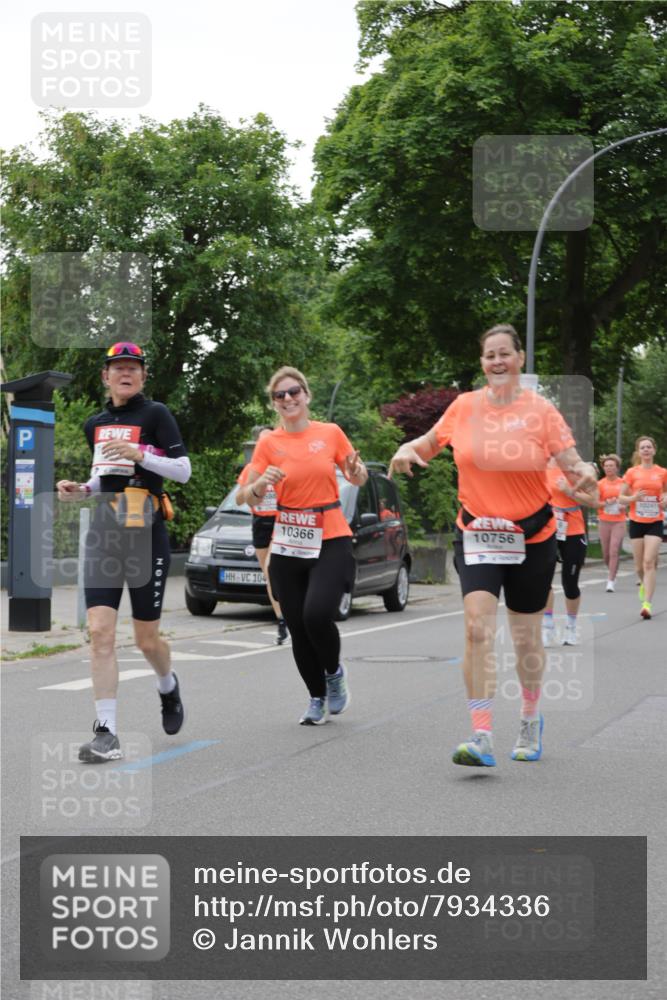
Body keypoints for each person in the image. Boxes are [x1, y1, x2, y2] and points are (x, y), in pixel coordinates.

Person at [389, 324, 597, 767]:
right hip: (478, 533)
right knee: (477, 628)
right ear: (482, 363)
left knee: (525, 641)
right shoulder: (464, 407)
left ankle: (529, 717)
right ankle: (481, 736)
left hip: (532, 537)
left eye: (505, 353)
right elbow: (428, 444)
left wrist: (587, 474)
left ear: (520, 358)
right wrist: (407, 449)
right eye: (489, 356)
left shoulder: (541, 412)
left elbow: (572, 462)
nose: (497, 362)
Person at [56, 342, 191, 762]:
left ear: (143, 376)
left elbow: (182, 471)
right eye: (118, 368)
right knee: (99, 632)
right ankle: (106, 734)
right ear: (106, 376)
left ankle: (167, 686)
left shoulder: (156, 415)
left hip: (144, 532)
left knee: (146, 639)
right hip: (104, 531)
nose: (126, 373)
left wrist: (142, 454)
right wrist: (81, 489)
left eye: (134, 367)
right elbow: (103, 479)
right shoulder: (95, 423)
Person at [242, 366, 367, 725]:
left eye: (294, 392)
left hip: (329, 534)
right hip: (288, 539)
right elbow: (246, 495)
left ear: (307, 396)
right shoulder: (269, 443)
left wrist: (357, 472)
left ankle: (333, 674)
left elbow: (356, 475)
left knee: (316, 615)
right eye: (279, 395)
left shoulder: (330, 433)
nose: (288, 399)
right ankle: (316, 698)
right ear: (274, 404)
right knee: (296, 624)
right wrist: (261, 482)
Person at [236, 428, 288, 645]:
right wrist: (256, 486)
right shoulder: (251, 469)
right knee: (269, 577)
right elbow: (239, 498)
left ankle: (289, 616)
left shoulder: (283, 465)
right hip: (260, 523)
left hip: (281, 520)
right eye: (262, 440)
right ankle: (282, 621)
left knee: (271, 568)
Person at [541, 460, 598, 647]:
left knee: (570, 583)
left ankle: (571, 627)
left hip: (572, 529)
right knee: (543, 580)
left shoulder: (578, 468)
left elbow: (594, 501)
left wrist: (569, 491)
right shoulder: (541, 466)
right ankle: (548, 627)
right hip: (548, 528)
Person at [619, 436, 667, 620]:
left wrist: (665, 500)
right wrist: (632, 499)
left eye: (649, 447)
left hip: (655, 521)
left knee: (649, 562)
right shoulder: (632, 472)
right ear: (639, 452)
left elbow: (665, 493)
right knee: (639, 566)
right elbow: (620, 497)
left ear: (654, 450)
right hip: (637, 522)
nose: (646, 450)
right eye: (642, 448)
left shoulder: (662, 472)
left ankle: (647, 604)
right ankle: (643, 583)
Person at [595, 454, 627, 592]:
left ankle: (610, 581)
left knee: (614, 550)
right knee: (606, 554)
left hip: (618, 521)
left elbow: (630, 499)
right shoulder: (600, 484)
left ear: (617, 468)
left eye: (611, 466)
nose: (608, 468)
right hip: (604, 521)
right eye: (606, 466)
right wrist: (606, 503)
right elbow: (595, 503)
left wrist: (624, 505)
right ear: (603, 468)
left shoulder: (623, 483)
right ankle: (613, 572)